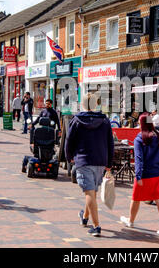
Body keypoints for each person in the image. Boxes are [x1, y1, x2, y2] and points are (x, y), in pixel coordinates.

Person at [65, 93, 114, 237]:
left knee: (89, 192)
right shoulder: (105, 121)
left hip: (83, 160)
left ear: (83, 105)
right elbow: (110, 143)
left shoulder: (76, 120)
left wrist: (69, 157)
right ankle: (85, 217)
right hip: (100, 160)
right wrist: (109, 163)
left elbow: (69, 140)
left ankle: (96, 226)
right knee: (91, 192)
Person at [120, 113, 159, 235]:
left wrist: (138, 176)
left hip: (145, 174)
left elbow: (138, 159)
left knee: (136, 198)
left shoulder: (139, 139)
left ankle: (131, 221)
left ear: (141, 124)